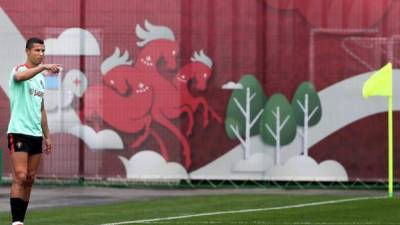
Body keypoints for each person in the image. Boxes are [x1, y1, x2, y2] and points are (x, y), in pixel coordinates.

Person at [7, 37, 61, 225]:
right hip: (18, 132)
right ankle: (15, 222)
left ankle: (21, 220)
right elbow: (20, 78)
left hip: (36, 134)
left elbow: (41, 109)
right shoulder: (19, 70)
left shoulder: (41, 80)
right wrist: (44, 67)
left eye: (43, 51)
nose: (41, 54)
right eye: (37, 51)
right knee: (20, 175)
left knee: (30, 178)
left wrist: (47, 136)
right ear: (28, 52)